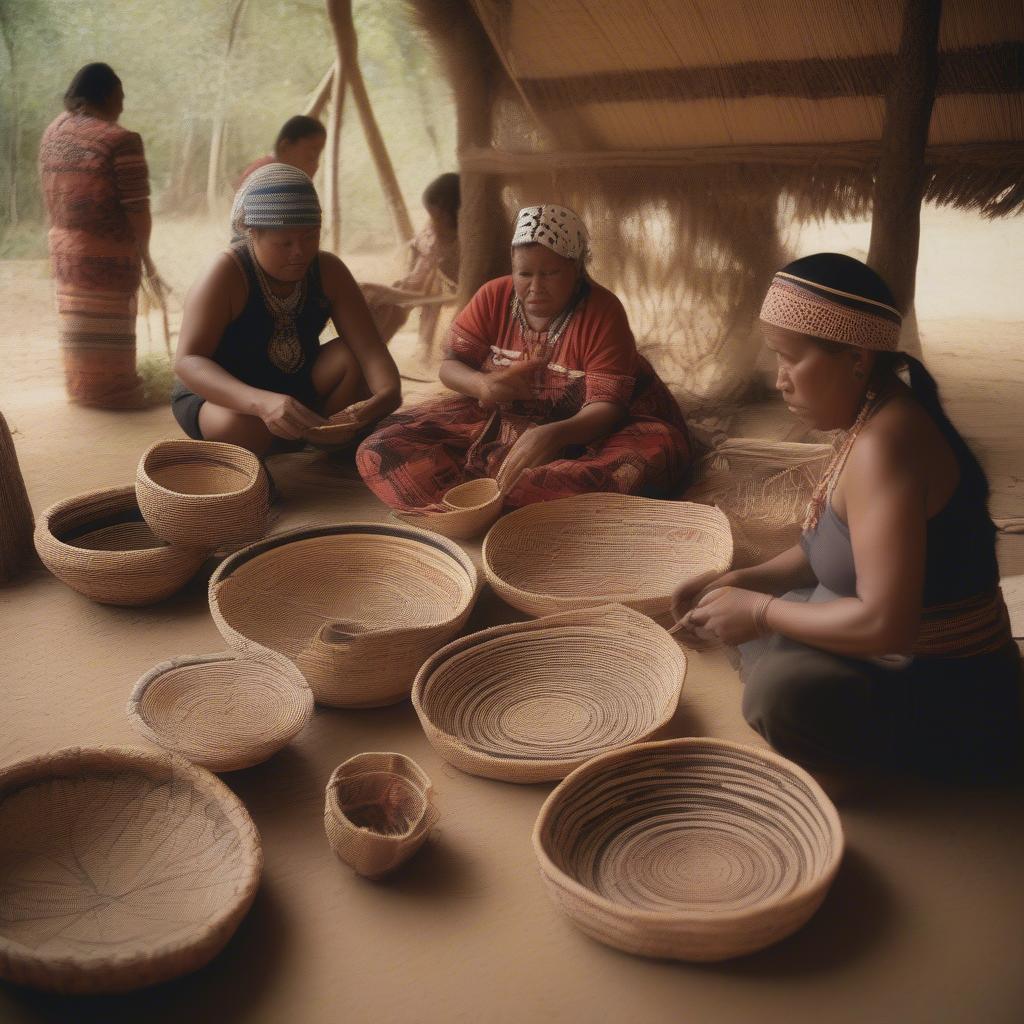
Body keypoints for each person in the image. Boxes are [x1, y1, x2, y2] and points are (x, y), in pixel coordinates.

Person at [672, 253, 1022, 781]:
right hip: (893, 639)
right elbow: (830, 548)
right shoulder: (874, 410)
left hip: (950, 681)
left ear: (856, 359)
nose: (779, 380)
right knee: (776, 625)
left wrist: (760, 611)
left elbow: (887, 625)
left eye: (789, 359)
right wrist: (745, 579)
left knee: (781, 695)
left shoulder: (887, 446)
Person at [357, 203, 691, 510]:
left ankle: (505, 500)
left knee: (651, 454)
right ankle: (487, 505)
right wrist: (483, 385)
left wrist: (554, 433)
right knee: (380, 449)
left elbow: (607, 408)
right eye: (525, 274)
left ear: (576, 270)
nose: (535, 287)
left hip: (593, 426)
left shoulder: (602, 311)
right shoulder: (493, 296)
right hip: (504, 416)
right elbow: (450, 366)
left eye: (550, 274)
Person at [172, 163, 401, 454]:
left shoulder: (328, 269)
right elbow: (188, 361)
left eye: (310, 237)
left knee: (351, 357)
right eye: (285, 243)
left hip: (293, 386)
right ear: (252, 234)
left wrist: (388, 393)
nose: (299, 252)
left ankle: (313, 433)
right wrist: (262, 403)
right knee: (238, 428)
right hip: (226, 397)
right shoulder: (226, 273)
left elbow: (369, 350)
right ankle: (307, 435)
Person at [39, 62, 161, 408]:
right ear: (106, 95)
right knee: (109, 330)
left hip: (65, 252)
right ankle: (114, 394)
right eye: (120, 98)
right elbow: (138, 208)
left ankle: (83, 389)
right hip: (108, 259)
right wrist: (146, 256)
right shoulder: (121, 141)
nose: (122, 107)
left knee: (78, 324)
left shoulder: (54, 131)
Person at [361, 172, 460, 353]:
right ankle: (371, 353)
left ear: (454, 215)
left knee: (426, 296)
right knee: (389, 306)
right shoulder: (433, 232)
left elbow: (459, 282)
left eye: (438, 217)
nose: (433, 222)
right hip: (422, 285)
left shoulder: (462, 242)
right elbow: (419, 249)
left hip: (447, 291)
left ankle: (423, 348)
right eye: (432, 216)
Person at [236, 115, 327, 187]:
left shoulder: (287, 181)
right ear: (285, 148)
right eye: (311, 156)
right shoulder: (265, 177)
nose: (316, 166)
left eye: (318, 156)